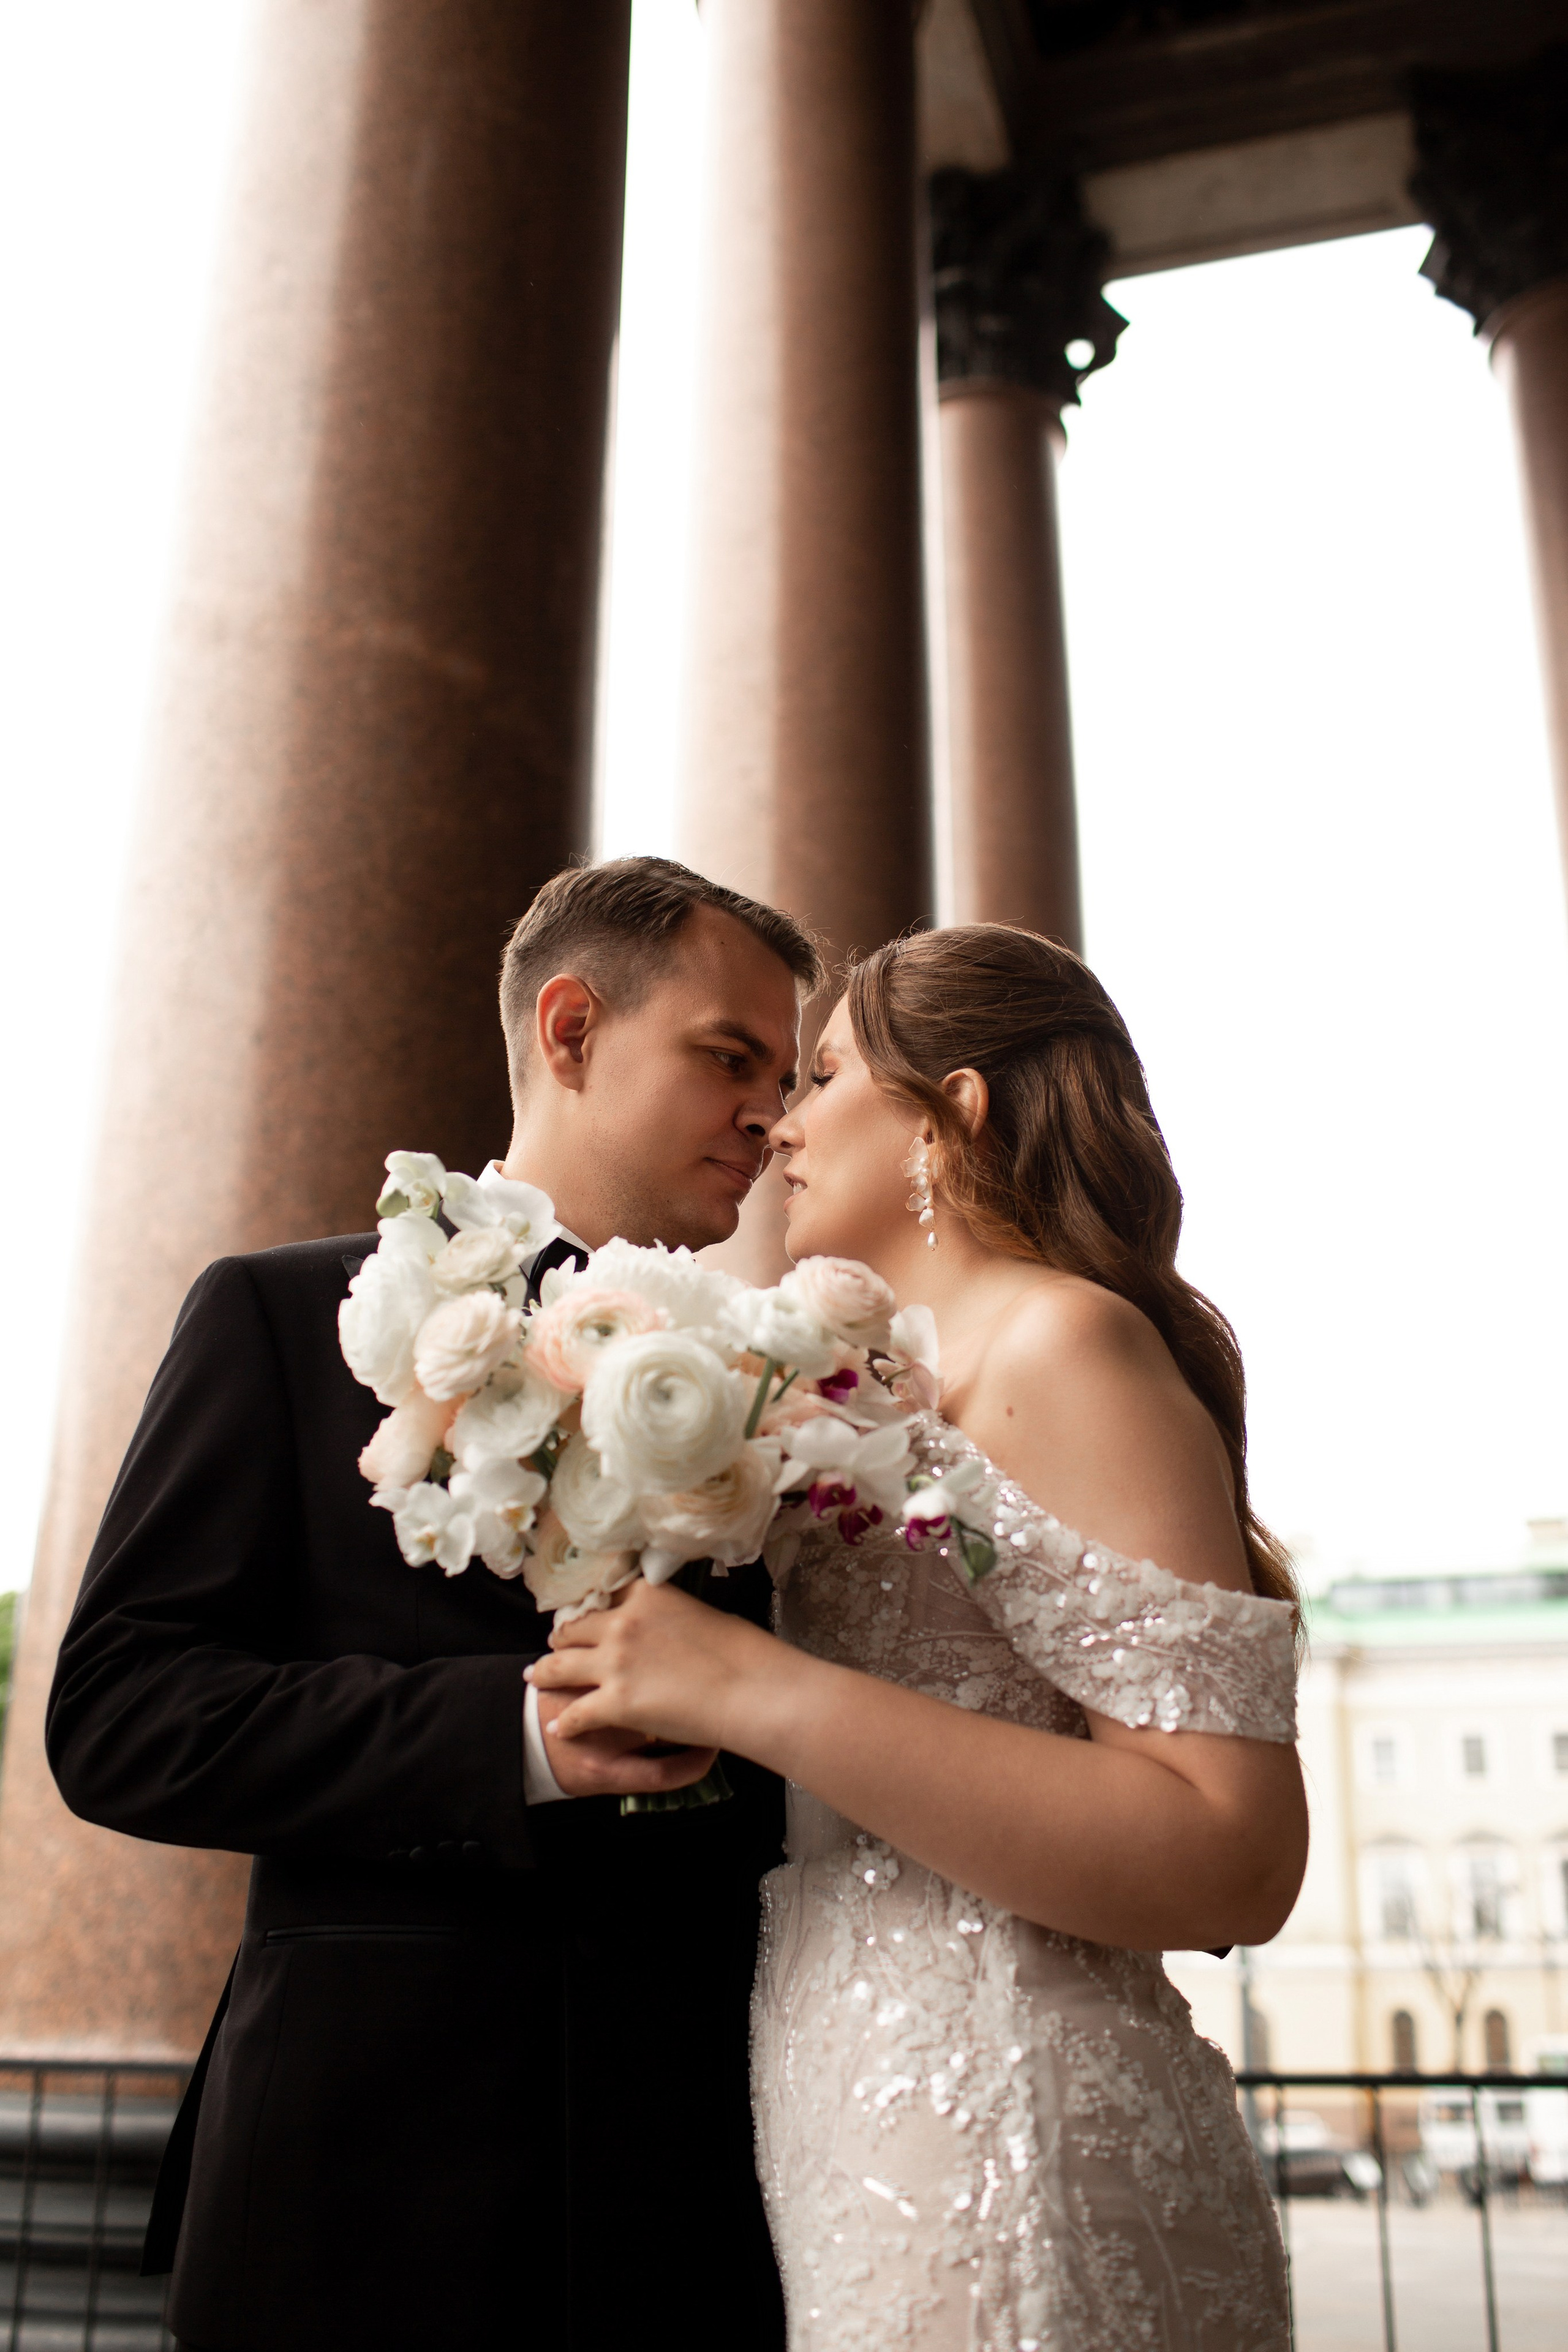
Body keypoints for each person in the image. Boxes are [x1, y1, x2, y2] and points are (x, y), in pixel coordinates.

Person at [45, 857, 823, 2352]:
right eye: (729, 1058)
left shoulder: (789, 1400)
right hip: (359, 2192)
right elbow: (121, 1711)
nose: (768, 1117)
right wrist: (508, 1737)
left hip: (706, 2203)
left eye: (786, 1079)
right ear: (573, 1027)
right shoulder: (278, 1319)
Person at [531, 924, 1306, 2352]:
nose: (778, 1127)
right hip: (839, 2083)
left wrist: (756, 1690)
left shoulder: (1065, 1347)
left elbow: (1234, 1856)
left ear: (954, 1113)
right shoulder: (874, 1388)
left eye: (821, 1077)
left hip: (1014, 2113)